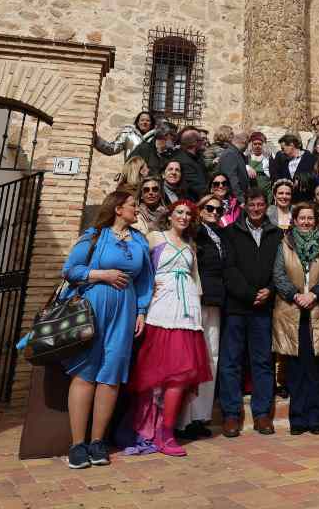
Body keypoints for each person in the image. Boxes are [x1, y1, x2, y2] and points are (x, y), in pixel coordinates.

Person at [60, 192, 154, 469]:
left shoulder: (139, 240)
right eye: (133, 205)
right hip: (92, 306)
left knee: (111, 373)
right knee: (86, 370)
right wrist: (101, 274)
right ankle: (77, 445)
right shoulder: (94, 236)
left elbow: (146, 280)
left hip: (124, 310)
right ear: (117, 208)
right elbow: (69, 269)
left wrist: (141, 311)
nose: (137, 209)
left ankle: (97, 441)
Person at [126, 201, 212, 457]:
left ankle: (167, 431)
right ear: (170, 215)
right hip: (160, 311)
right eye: (180, 212)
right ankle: (145, 430)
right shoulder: (154, 238)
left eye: (188, 214)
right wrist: (145, 294)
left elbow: (196, 283)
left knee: (180, 376)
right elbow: (140, 270)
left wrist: (198, 312)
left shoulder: (190, 247)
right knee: (152, 376)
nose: (184, 217)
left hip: (186, 316)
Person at [218, 191, 283, 437]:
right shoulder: (231, 233)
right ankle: (231, 415)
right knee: (231, 361)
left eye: (260, 204)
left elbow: (281, 267)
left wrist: (270, 290)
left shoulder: (276, 235)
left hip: (264, 309)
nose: (256, 209)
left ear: (266, 206)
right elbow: (229, 268)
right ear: (244, 206)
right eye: (252, 205)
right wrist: (248, 294)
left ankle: (262, 414)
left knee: (262, 362)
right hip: (237, 307)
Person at [272, 203, 319, 435]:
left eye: (310, 218)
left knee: (316, 367)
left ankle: (316, 417)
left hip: (318, 310)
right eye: (302, 218)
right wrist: (296, 295)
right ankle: (297, 418)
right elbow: (278, 274)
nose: (307, 222)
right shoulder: (285, 245)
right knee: (296, 368)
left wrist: (314, 294)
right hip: (292, 310)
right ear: (295, 221)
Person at [176, 193, 226, 441]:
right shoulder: (193, 233)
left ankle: (200, 417)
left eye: (219, 209)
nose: (214, 212)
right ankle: (181, 418)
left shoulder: (220, 235)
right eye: (209, 208)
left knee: (211, 358)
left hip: (215, 301)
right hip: (194, 300)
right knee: (190, 358)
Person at [168, 128, 210, 200]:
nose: (204, 142)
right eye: (201, 140)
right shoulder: (183, 161)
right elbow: (199, 187)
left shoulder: (197, 158)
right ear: (194, 143)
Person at [215, 129, 251, 202]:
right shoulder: (230, 154)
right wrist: (240, 198)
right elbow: (231, 178)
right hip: (233, 200)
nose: (247, 148)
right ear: (244, 142)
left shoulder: (236, 153)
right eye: (247, 145)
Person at [244, 131, 272, 198]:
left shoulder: (269, 159)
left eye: (259, 144)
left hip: (266, 193)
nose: (257, 146)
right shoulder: (246, 158)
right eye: (255, 144)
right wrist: (247, 167)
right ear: (252, 145)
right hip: (251, 193)